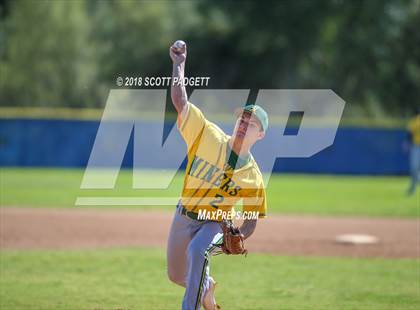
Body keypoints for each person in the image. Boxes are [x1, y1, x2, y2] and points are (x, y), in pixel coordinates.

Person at [166, 40, 268, 310]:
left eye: (252, 123)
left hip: (215, 224)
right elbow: (180, 101)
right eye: (242, 119)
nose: (244, 124)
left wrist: (237, 236)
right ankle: (206, 286)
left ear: (261, 135)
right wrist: (179, 65)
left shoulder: (252, 177)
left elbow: (251, 221)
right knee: (177, 275)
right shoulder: (208, 135)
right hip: (184, 213)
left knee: (198, 250)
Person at [406, 108, 420, 196]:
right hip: (416, 146)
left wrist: (407, 143)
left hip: (415, 147)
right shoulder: (414, 121)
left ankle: (413, 188)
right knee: (414, 168)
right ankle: (413, 188)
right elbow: (410, 133)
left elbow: (409, 134)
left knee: (414, 168)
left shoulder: (415, 121)